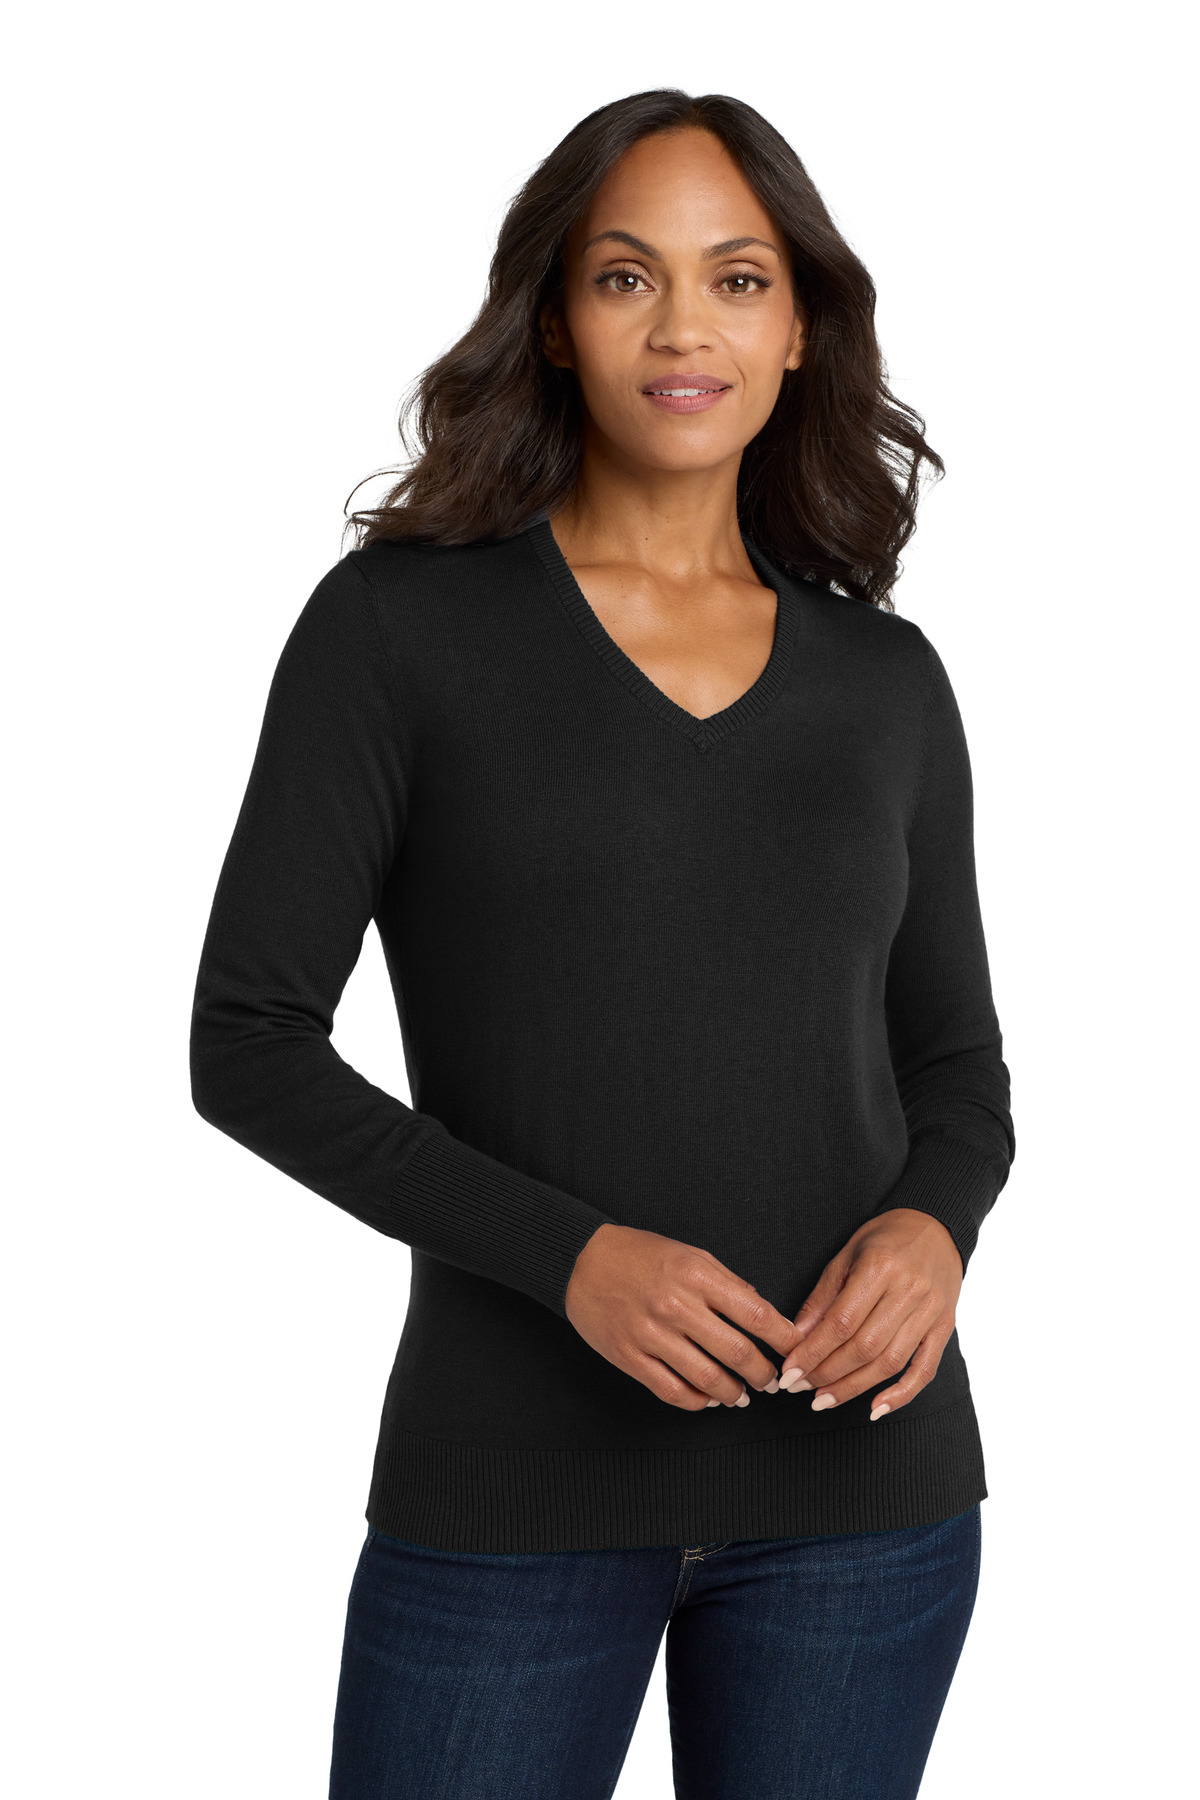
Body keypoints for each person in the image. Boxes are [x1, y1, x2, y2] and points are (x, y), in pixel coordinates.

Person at [190, 87, 1015, 1800]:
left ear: (799, 329)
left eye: (738, 278)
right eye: (627, 276)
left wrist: (935, 1225)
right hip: (511, 1496)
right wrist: (568, 1257)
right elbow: (248, 1042)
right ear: (558, 323)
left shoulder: (885, 681)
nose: (684, 327)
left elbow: (954, 1063)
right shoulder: (396, 632)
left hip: (865, 1500)